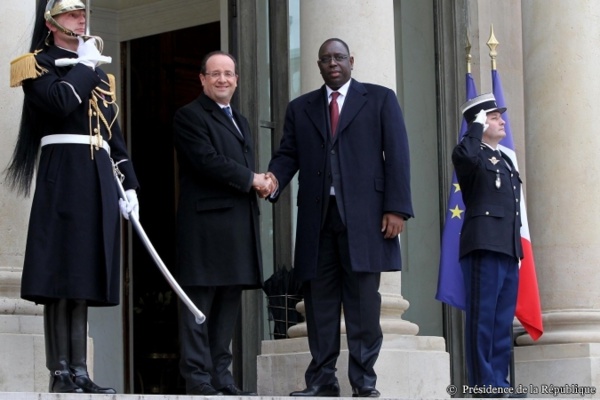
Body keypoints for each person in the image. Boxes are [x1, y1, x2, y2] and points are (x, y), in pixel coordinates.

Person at [5, 0, 139, 394]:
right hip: (61, 171)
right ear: (51, 22)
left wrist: (130, 183)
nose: (81, 19)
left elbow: (113, 131)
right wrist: (84, 65)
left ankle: (80, 369)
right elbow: (62, 101)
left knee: (82, 272)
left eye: (83, 14)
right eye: (71, 14)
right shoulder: (36, 64)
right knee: (59, 273)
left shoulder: (96, 71)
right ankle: (60, 369)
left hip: (96, 173)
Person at [266, 38, 413, 398]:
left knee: (364, 305)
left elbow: (397, 155)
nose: (333, 63)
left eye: (339, 57)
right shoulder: (301, 108)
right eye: (326, 59)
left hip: (366, 221)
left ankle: (364, 382)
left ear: (352, 61)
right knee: (319, 306)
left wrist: (396, 208)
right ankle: (321, 381)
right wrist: (272, 181)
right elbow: (288, 155)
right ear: (318, 65)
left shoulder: (379, 99)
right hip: (317, 221)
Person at [172, 50, 272, 396]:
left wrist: (258, 184)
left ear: (236, 80)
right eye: (215, 74)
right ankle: (198, 377)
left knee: (228, 303)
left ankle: (222, 376)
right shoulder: (188, 116)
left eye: (228, 74)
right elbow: (206, 161)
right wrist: (252, 179)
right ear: (202, 79)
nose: (222, 80)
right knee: (198, 304)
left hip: (236, 226)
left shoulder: (240, 120)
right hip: (204, 227)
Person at [452, 93, 523, 397]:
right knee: (483, 320)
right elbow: (464, 157)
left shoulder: (505, 159)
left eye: (498, 116)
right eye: (494, 117)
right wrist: (475, 128)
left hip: (506, 247)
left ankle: (500, 384)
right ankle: (483, 386)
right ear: (480, 121)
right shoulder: (471, 153)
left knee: (502, 321)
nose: (502, 120)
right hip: (483, 246)